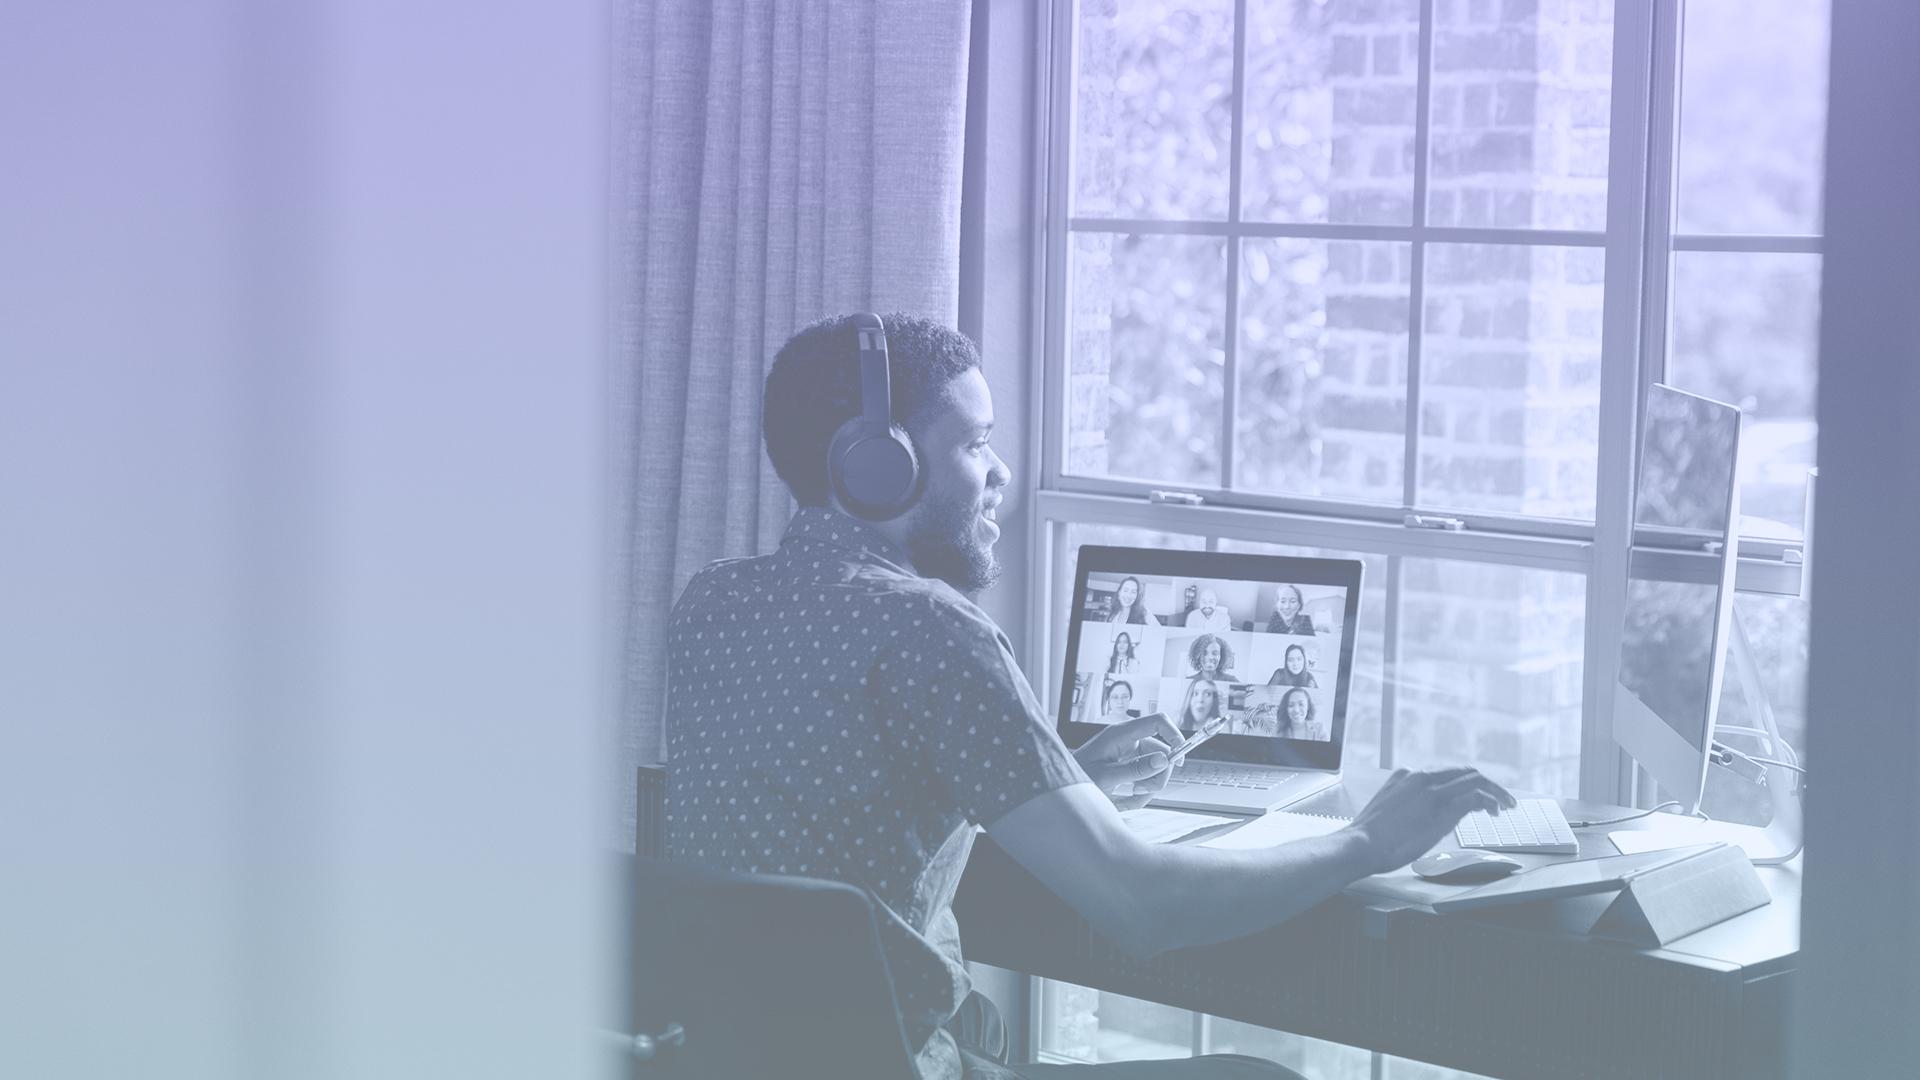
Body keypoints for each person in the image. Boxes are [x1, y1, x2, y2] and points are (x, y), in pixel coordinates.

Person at [665, 312, 1514, 1080]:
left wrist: (1058, 776)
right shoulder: (930, 627)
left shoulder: (711, 603)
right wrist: (1366, 841)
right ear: (879, 465)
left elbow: (840, 804)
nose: (998, 474)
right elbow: (1143, 909)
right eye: (973, 445)